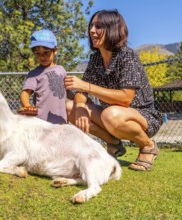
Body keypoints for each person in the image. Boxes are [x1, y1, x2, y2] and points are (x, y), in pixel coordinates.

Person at [64, 9, 163, 171]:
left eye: (98, 26)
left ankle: (148, 145)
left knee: (111, 114)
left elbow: (125, 98)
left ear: (112, 29)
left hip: (142, 116)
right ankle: (114, 144)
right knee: (70, 108)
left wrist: (85, 86)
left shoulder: (127, 56)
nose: (92, 31)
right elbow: (81, 92)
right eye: (91, 26)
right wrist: (81, 107)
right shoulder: (95, 59)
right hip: (110, 113)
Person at [20, 29, 68, 124]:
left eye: (46, 52)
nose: (42, 57)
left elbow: (66, 90)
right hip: (42, 123)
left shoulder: (61, 69)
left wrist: (79, 98)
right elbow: (25, 93)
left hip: (61, 121)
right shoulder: (34, 74)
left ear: (55, 51)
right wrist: (27, 106)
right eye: (38, 54)